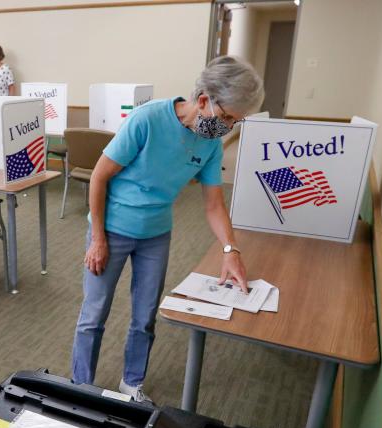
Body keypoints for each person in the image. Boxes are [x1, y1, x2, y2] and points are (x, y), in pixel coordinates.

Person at [71, 56, 264, 402]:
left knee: (145, 315)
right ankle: (81, 385)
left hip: (156, 234)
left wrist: (230, 249)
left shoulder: (209, 141)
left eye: (236, 121)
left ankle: (132, 383)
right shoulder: (147, 120)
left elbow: (213, 204)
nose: (228, 127)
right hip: (112, 229)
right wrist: (97, 238)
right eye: (226, 118)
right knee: (94, 313)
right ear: (204, 100)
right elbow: (99, 177)